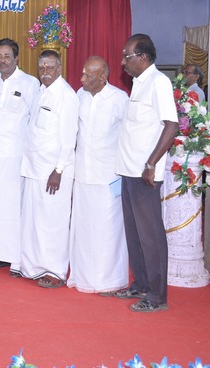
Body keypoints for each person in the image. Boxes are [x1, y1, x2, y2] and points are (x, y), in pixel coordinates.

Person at [114, 34, 178, 312]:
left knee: (150, 236)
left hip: (145, 174)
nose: (122, 62)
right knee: (135, 234)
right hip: (128, 170)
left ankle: (157, 296)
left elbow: (171, 126)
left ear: (143, 57)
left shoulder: (158, 82)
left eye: (127, 56)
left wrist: (151, 164)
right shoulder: (138, 83)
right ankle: (140, 284)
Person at [68, 57, 129, 293]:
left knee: (108, 229)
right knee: (83, 228)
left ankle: (109, 281)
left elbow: (128, 136)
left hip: (108, 176)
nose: (82, 78)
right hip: (82, 175)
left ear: (103, 77)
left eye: (88, 75)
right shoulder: (80, 95)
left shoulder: (119, 99)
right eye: (83, 73)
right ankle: (83, 277)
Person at [20, 49, 78, 287]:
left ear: (59, 69)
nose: (45, 71)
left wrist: (59, 170)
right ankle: (32, 267)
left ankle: (55, 271)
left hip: (53, 172)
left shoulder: (66, 95)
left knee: (53, 222)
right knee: (34, 221)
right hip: (34, 168)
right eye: (42, 67)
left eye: (50, 67)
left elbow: (69, 137)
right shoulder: (40, 92)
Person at [0, 38, 39, 275]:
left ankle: (16, 258)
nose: (2, 60)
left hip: (15, 155)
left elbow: (35, 120)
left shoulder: (29, 83)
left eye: (7, 56)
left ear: (16, 58)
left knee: (13, 208)